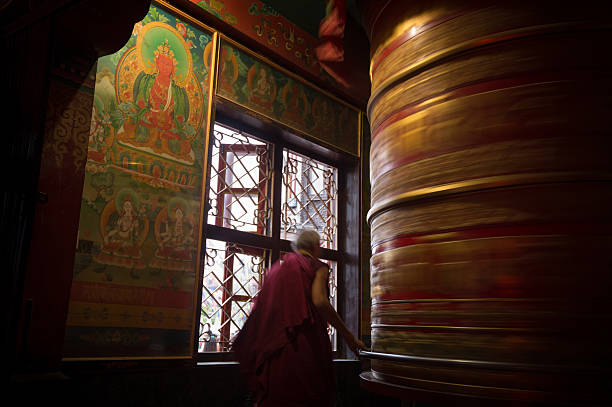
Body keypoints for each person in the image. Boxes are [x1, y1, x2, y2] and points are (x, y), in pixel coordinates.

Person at [232, 230, 366, 406]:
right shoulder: (317, 266)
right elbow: (320, 301)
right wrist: (349, 337)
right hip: (306, 344)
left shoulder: (277, 270)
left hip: (276, 347)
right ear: (315, 246)